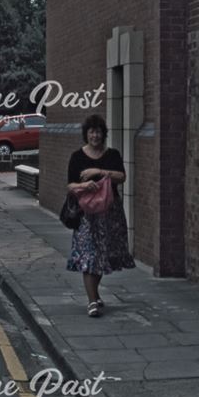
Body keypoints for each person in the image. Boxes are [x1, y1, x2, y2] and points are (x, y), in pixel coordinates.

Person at [66, 114, 135, 317]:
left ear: (103, 134)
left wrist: (99, 171)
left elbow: (121, 177)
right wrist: (83, 185)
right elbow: (70, 185)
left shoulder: (112, 154)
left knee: (104, 255)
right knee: (89, 255)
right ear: (86, 134)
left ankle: (94, 294)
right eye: (91, 132)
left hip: (109, 213)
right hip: (86, 214)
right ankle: (92, 302)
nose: (95, 135)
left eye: (98, 132)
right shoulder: (77, 157)